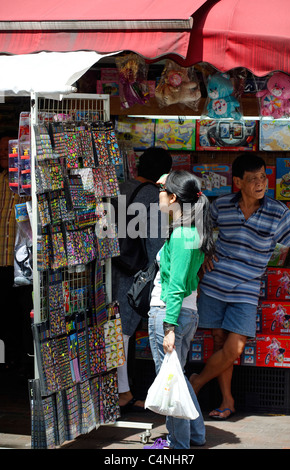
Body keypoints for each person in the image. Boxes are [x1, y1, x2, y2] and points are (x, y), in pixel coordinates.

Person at [190, 153, 290, 420]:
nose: (260, 183)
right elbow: (198, 229)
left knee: (235, 347)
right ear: (238, 181)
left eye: (263, 177)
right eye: (253, 179)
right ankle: (227, 400)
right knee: (218, 342)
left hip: (247, 289)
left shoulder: (278, 212)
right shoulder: (222, 205)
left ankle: (195, 383)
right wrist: (205, 253)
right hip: (215, 283)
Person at [146, 170, 214, 449]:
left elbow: (174, 286)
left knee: (170, 383)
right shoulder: (189, 230)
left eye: (162, 192)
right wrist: (165, 179)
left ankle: (178, 446)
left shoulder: (183, 236)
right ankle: (195, 435)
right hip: (181, 312)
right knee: (178, 378)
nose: (157, 196)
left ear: (173, 198)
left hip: (169, 312)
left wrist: (169, 327)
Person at [112, 146, 172, 410]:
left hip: (110, 268)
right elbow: (156, 244)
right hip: (135, 274)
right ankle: (123, 391)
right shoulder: (152, 197)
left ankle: (121, 389)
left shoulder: (118, 189)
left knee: (116, 330)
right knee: (123, 331)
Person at [0, 135, 33, 370]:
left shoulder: (28, 184)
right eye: (0, 150)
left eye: (7, 150)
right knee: (4, 313)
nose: (4, 154)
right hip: (0, 262)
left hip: (24, 265)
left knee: (25, 313)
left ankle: (25, 361)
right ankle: (7, 358)